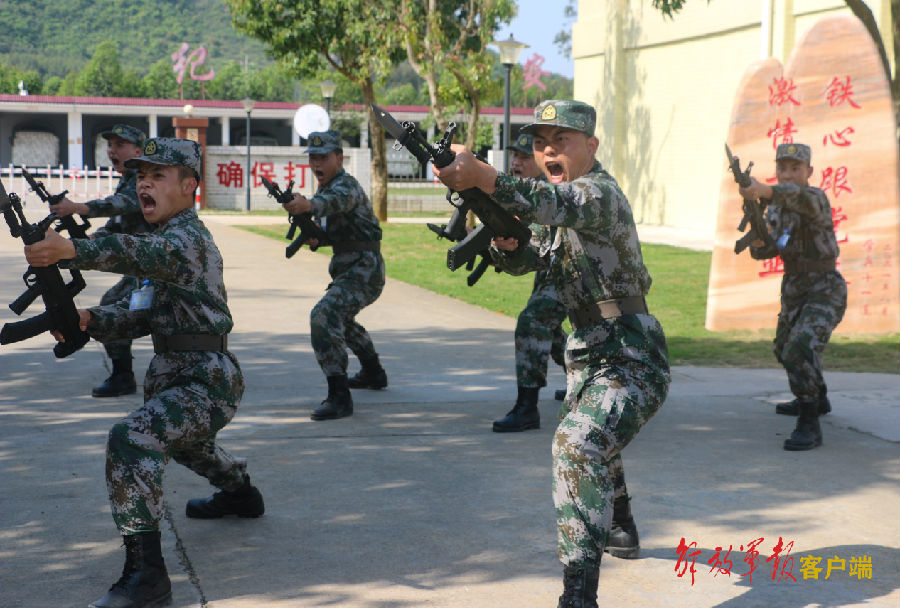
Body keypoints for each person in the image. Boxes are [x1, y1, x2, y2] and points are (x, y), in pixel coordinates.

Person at [435, 100, 670, 607]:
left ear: (591, 146)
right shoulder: (558, 206)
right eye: (542, 142)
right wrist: (503, 239)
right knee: (593, 434)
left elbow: (545, 203)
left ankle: (578, 596)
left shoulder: (599, 194)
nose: (548, 149)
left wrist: (484, 176)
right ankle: (621, 522)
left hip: (632, 356)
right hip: (587, 355)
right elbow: (525, 256)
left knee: (576, 443)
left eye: (561, 139)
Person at [25, 138, 264, 608]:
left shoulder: (187, 240)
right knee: (192, 448)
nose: (144, 184)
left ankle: (147, 578)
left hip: (207, 379)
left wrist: (71, 249)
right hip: (175, 377)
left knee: (133, 439)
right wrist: (89, 321)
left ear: (190, 186)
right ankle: (241, 494)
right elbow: (137, 316)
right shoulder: (161, 246)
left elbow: (133, 252)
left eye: (158, 175)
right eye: (140, 176)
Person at [739, 142, 847, 451]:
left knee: (800, 346)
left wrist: (760, 189)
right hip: (795, 288)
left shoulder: (815, 198)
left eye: (795, 168)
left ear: (809, 172)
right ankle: (819, 395)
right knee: (783, 348)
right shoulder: (778, 208)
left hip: (825, 288)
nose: (787, 174)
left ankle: (809, 421)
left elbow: (792, 195)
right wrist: (759, 239)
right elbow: (771, 249)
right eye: (781, 168)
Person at [282, 130, 386, 421]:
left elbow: (331, 204)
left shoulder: (345, 186)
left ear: (339, 158)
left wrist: (307, 206)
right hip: (350, 269)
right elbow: (340, 227)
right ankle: (374, 372)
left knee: (323, 316)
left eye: (323, 157)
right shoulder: (327, 188)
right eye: (313, 158)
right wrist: (320, 238)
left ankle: (339, 396)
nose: (317, 164)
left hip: (365, 270)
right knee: (341, 318)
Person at [50, 123, 154, 398]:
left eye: (120, 145)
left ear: (138, 150)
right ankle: (124, 373)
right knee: (119, 305)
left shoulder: (142, 178)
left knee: (118, 307)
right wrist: (87, 241)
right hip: (144, 266)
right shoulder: (129, 178)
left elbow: (120, 204)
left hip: (159, 267)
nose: (112, 151)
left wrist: (77, 208)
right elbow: (117, 222)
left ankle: (124, 376)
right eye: (110, 145)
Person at [493, 132, 569, 433]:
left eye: (524, 157)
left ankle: (527, 409)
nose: (517, 162)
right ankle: (584, 381)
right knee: (548, 331)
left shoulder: (554, 192)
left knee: (533, 321)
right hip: (549, 270)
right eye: (515, 156)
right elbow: (528, 253)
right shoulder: (524, 195)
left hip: (572, 272)